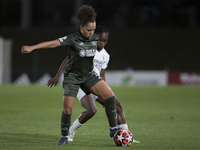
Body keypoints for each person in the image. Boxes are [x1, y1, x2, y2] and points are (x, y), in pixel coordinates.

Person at [21, 5, 119, 145]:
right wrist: (32, 47)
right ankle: (65, 136)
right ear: (81, 28)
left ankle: (113, 129)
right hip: (72, 78)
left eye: (93, 30)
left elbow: (102, 43)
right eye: (88, 30)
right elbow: (52, 44)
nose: (92, 33)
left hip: (89, 76)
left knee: (110, 98)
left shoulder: (95, 38)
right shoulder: (73, 39)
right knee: (68, 109)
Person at [47, 25, 140, 143]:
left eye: (105, 40)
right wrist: (58, 75)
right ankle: (71, 130)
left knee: (118, 105)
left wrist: (104, 94)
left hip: (94, 83)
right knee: (91, 110)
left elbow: (101, 75)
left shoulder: (106, 56)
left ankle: (125, 135)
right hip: (81, 83)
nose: (102, 42)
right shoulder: (86, 47)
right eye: (100, 39)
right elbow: (68, 59)